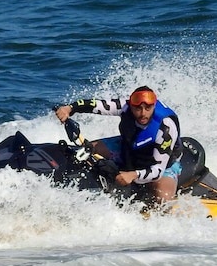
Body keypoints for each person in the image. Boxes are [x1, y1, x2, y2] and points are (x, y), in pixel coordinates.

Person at [54, 86, 182, 204]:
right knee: (87, 151)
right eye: (138, 108)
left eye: (148, 108)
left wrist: (133, 175)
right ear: (131, 105)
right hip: (130, 150)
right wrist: (70, 108)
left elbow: (157, 170)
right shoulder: (125, 106)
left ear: (154, 105)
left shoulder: (166, 127)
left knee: (162, 199)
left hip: (164, 166)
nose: (143, 113)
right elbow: (95, 105)